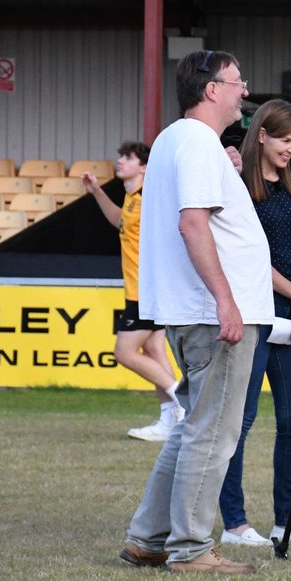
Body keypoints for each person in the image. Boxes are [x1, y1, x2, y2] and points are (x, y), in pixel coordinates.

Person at [119, 50, 273, 575]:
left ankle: (147, 538)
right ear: (211, 89)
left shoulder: (175, 140)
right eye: (236, 81)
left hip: (191, 310)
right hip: (213, 314)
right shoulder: (198, 142)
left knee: (192, 428)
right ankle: (190, 549)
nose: (243, 89)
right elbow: (193, 225)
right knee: (212, 434)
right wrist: (227, 300)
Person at [218, 99, 291, 547]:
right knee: (240, 421)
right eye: (285, 139)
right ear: (261, 134)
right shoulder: (238, 186)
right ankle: (235, 524)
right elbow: (247, 259)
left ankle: (288, 521)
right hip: (252, 311)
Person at [82, 141, 184, 441]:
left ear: (143, 167)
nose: (120, 161)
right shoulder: (131, 199)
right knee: (153, 350)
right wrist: (97, 192)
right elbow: (120, 222)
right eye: (120, 156)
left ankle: (183, 402)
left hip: (148, 290)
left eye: (127, 157)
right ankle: (170, 421)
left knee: (124, 352)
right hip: (138, 290)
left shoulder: (151, 197)